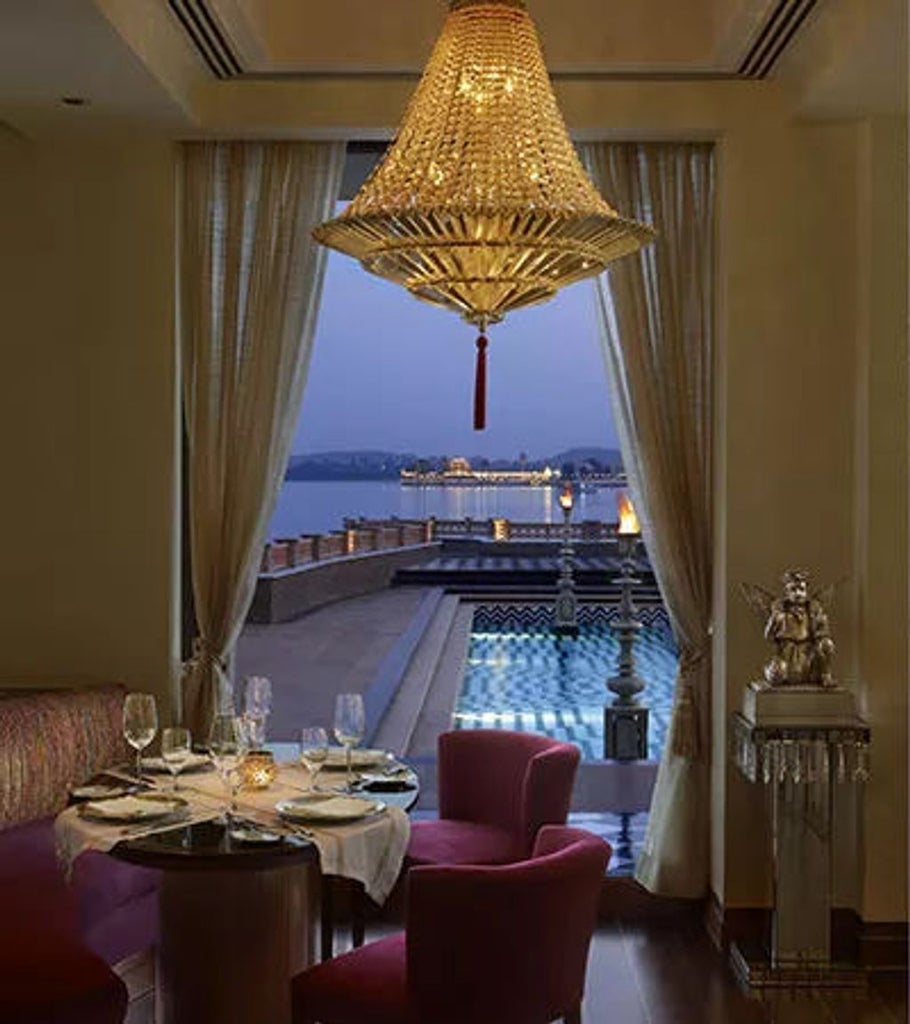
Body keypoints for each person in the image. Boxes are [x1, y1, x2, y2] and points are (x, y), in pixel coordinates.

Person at [763, 570, 835, 686]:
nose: (798, 593)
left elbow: (822, 632)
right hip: (787, 655)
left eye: (802, 589)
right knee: (777, 674)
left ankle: (825, 675)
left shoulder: (813, 610)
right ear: (786, 593)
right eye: (793, 589)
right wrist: (774, 620)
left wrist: (822, 641)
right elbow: (768, 637)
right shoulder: (780, 612)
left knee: (827, 644)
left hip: (808, 654)